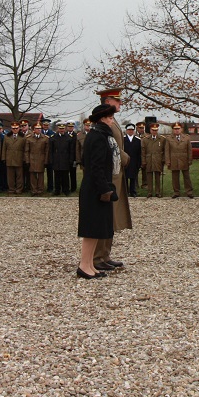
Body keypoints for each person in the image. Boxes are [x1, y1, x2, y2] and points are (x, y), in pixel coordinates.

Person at [76, 104, 119, 279]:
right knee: (91, 228)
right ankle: (84, 265)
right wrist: (105, 189)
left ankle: (88, 264)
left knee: (96, 229)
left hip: (97, 186)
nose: (112, 120)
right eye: (109, 117)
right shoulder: (98, 137)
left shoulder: (99, 135)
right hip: (95, 188)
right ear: (102, 119)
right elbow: (96, 166)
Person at [92, 87, 130, 271]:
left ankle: (105, 254)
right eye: (117, 101)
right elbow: (110, 146)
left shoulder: (112, 121)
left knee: (112, 218)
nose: (120, 103)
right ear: (108, 102)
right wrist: (125, 158)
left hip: (115, 174)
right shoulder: (104, 123)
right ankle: (97, 257)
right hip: (110, 175)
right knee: (105, 217)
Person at [166, 123, 194, 198]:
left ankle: (189, 192)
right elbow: (167, 151)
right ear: (173, 129)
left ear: (181, 129)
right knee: (175, 177)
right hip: (174, 160)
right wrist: (168, 161)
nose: (177, 130)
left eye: (178, 129)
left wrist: (190, 160)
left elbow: (189, 150)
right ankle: (176, 192)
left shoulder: (186, 138)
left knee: (186, 177)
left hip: (184, 159)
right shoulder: (169, 138)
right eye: (175, 129)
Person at [50, 122, 75, 196]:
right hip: (56, 159)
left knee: (65, 176)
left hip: (65, 160)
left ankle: (66, 190)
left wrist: (71, 160)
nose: (61, 130)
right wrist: (51, 160)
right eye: (60, 128)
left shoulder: (69, 138)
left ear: (65, 129)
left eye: (63, 128)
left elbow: (71, 150)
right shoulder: (53, 137)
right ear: (58, 128)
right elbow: (51, 150)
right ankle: (57, 190)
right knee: (57, 176)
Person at [2, 121, 27, 195]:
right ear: (11, 129)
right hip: (9, 158)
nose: (15, 129)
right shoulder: (7, 136)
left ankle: (19, 189)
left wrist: (24, 159)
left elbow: (25, 149)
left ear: (19, 128)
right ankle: (11, 189)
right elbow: (4, 148)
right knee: (10, 176)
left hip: (19, 157)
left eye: (16, 128)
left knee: (19, 176)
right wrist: (3, 158)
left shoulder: (23, 137)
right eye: (13, 128)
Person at [142, 122, 166, 197]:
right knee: (149, 176)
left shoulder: (162, 139)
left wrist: (163, 159)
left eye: (156, 130)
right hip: (149, 159)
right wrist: (143, 161)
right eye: (153, 130)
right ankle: (149, 192)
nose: (154, 132)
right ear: (150, 130)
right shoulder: (145, 139)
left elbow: (164, 150)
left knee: (157, 176)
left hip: (158, 160)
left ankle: (157, 192)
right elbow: (143, 151)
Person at [26, 123, 49, 195]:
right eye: (37, 128)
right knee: (32, 175)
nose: (39, 130)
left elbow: (47, 151)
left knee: (41, 175)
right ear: (34, 130)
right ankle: (34, 190)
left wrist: (46, 160)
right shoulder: (29, 138)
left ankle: (40, 190)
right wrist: (27, 160)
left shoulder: (45, 138)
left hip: (41, 158)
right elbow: (26, 151)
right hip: (32, 158)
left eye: (40, 128)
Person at [122, 123, 142, 197]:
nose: (130, 131)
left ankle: (133, 191)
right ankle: (126, 192)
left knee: (133, 178)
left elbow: (139, 153)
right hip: (125, 161)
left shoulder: (138, 140)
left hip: (134, 161)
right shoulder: (123, 139)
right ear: (126, 130)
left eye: (132, 130)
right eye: (129, 130)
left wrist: (139, 163)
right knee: (125, 177)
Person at [66, 121, 79, 193]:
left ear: (73, 128)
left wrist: (76, 159)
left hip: (73, 158)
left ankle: (73, 188)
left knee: (73, 174)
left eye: (71, 127)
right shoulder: (64, 135)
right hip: (65, 158)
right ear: (67, 127)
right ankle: (66, 187)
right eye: (69, 127)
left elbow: (76, 149)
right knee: (66, 174)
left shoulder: (76, 136)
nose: (70, 128)